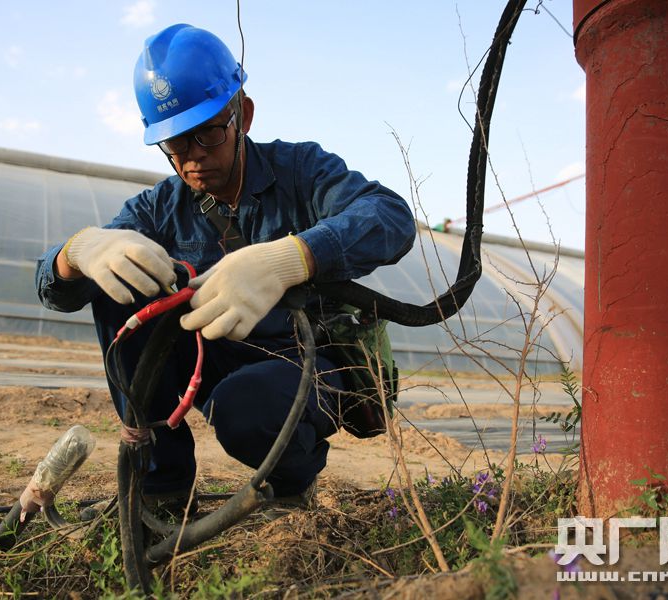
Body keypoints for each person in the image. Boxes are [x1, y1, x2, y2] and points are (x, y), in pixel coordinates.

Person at [24, 23, 415, 518]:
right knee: (115, 287)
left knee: (245, 406)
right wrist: (77, 252)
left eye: (208, 132)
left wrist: (293, 256)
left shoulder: (302, 171)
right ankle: (161, 489)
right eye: (176, 145)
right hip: (213, 356)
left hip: (306, 362)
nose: (193, 159)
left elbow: (390, 217)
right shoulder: (160, 208)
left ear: (242, 115)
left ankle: (292, 485)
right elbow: (56, 290)